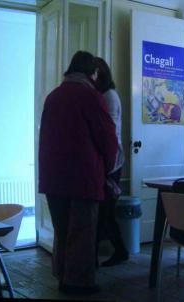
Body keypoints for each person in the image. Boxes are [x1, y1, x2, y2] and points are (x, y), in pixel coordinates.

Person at [38, 51, 118, 295]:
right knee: (82, 232)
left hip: (54, 176)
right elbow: (106, 137)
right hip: (83, 175)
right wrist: (110, 166)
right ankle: (79, 282)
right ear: (91, 72)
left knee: (62, 232)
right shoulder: (91, 96)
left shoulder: (53, 96)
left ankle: (62, 276)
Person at [93, 57, 129, 267]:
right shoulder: (106, 95)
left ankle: (116, 251)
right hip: (110, 161)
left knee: (104, 212)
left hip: (111, 162)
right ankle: (117, 251)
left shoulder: (109, 96)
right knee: (103, 212)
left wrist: (108, 168)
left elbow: (110, 134)